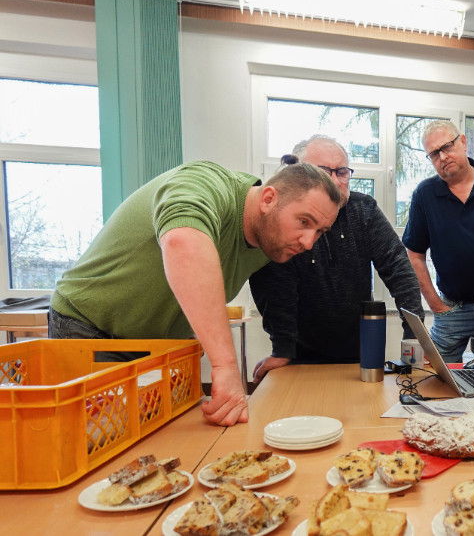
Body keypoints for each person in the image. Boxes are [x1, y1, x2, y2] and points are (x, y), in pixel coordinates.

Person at [50, 160, 341, 426]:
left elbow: (278, 293)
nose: (308, 242)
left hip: (154, 348)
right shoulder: (206, 181)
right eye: (304, 222)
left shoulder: (273, 241)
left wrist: (283, 349)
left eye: (320, 232)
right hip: (88, 329)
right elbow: (182, 242)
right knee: (99, 444)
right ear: (268, 199)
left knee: (158, 443)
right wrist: (225, 366)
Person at [249, 136, 425, 381]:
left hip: (359, 351)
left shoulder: (364, 210)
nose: (334, 181)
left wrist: (414, 335)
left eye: (341, 172)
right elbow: (278, 287)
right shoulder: (285, 216)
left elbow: (398, 268)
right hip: (301, 354)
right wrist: (282, 349)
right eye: (322, 172)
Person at [402, 120, 474, 367]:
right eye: (434, 154)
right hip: (452, 309)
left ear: (463, 142)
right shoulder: (424, 195)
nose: (443, 157)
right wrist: (434, 304)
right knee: (436, 379)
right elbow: (414, 255)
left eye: (447, 147)